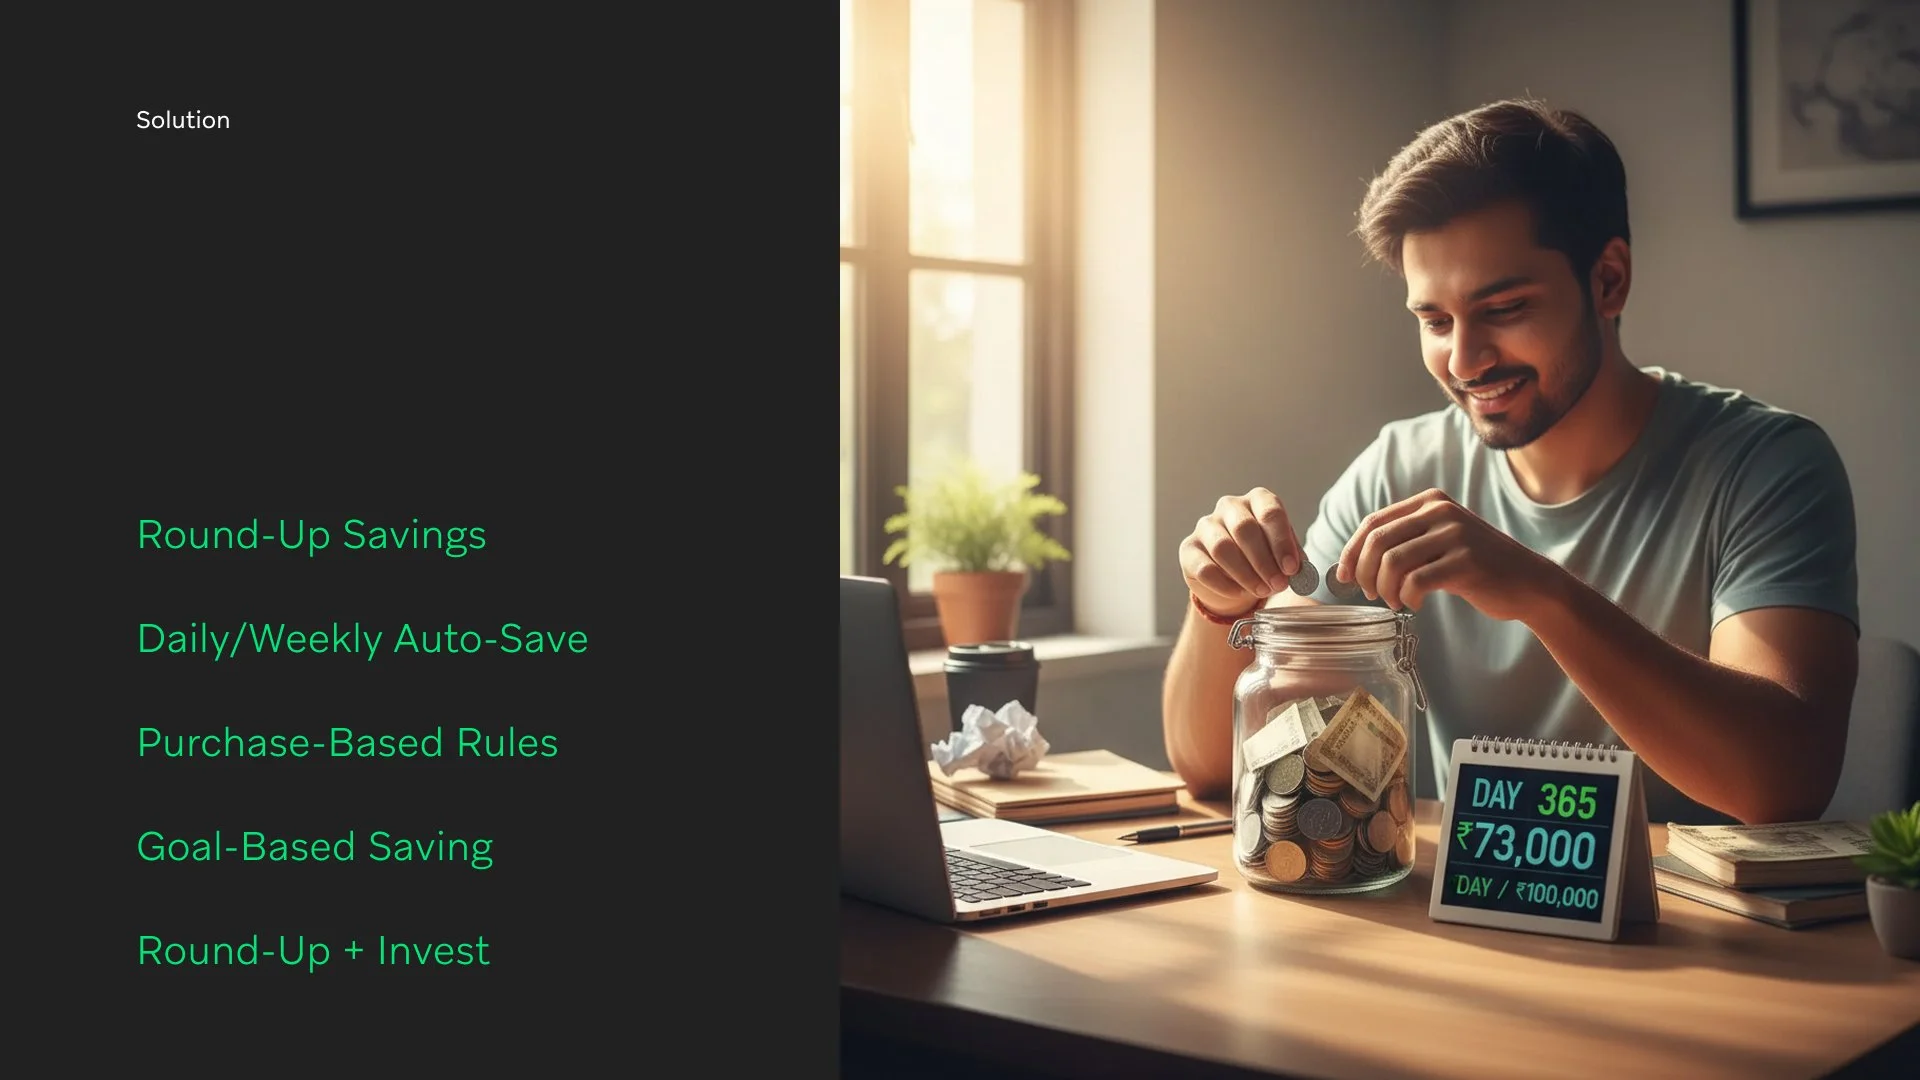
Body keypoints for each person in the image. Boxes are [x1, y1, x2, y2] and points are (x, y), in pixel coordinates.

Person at [1161, 98, 1859, 827]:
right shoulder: (1400, 467)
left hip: (1694, 935)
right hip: (1458, 929)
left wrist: (1538, 592)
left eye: (1504, 308)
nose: (1463, 360)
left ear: (1609, 280)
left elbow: (1783, 785)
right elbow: (1209, 766)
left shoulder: (1768, 465)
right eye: (1434, 320)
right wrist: (1219, 602)